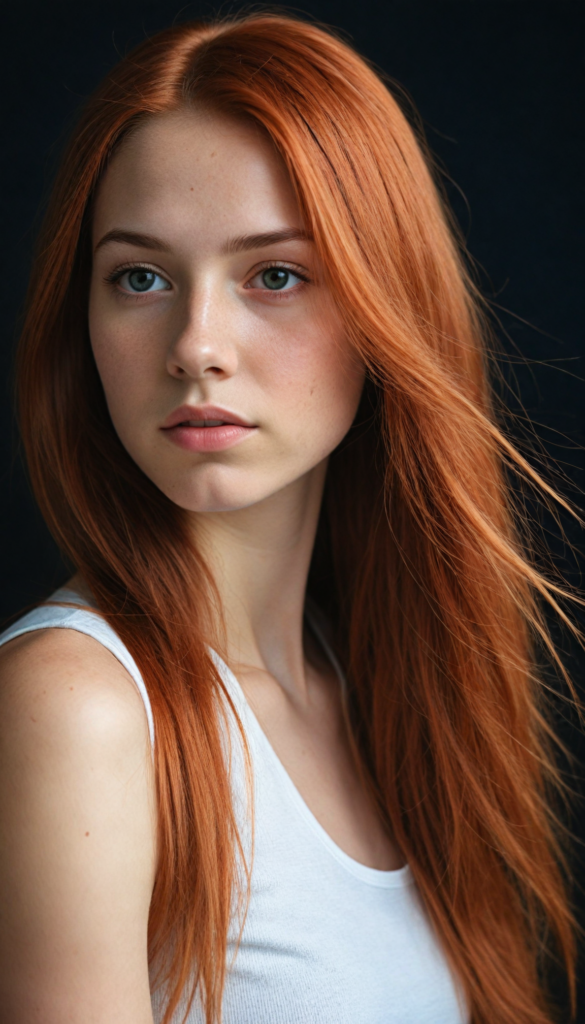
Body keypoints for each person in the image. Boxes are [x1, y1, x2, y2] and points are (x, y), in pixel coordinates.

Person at [0, 12, 581, 1024]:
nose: (197, 345)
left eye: (275, 274)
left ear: (382, 306)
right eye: (141, 276)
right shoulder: (79, 710)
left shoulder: (374, 682)